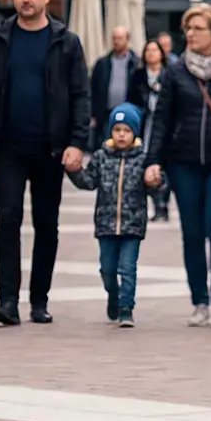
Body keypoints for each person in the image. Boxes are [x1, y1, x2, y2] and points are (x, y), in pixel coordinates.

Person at [0, 0, 90, 327]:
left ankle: (40, 300)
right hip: (7, 145)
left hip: (50, 149)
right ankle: (8, 301)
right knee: (7, 218)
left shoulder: (65, 41)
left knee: (46, 224)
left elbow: (80, 95)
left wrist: (77, 142)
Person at [146, 3, 211, 329]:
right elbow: (162, 119)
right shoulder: (175, 71)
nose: (190, 34)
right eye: (187, 29)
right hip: (183, 163)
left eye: (197, 28)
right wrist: (153, 162)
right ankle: (199, 302)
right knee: (192, 234)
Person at [68, 103, 157, 328]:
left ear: (134, 132)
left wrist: (156, 181)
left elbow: (157, 189)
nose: (121, 135)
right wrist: (73, 171)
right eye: (117, 130)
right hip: (106, 225)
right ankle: (113, 296)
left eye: (126, 131)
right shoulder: (101, 156)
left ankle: (126, 308)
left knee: (127, 268)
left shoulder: (142, 158)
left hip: (132, 225)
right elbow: (88, 182)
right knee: (107, 269)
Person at [129, 39, 170, 220]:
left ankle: (163, 204)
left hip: (163, 124)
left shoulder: (169, 74)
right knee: (143, 161)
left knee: (162, 164)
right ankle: (151, 203)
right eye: (148, 51)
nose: (152, 54)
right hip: (144, 124)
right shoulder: (138, 75)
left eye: (155, 50)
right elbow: (130, 99)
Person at [90, 26, 139, 150]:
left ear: (127, 40)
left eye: (120, 38)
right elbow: (92, 88)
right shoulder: (102, 63)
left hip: (128, 112)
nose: (116, 41)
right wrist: (92, 113)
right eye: (114, 38)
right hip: (104, 113)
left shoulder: (136, 63)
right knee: (103, 146)